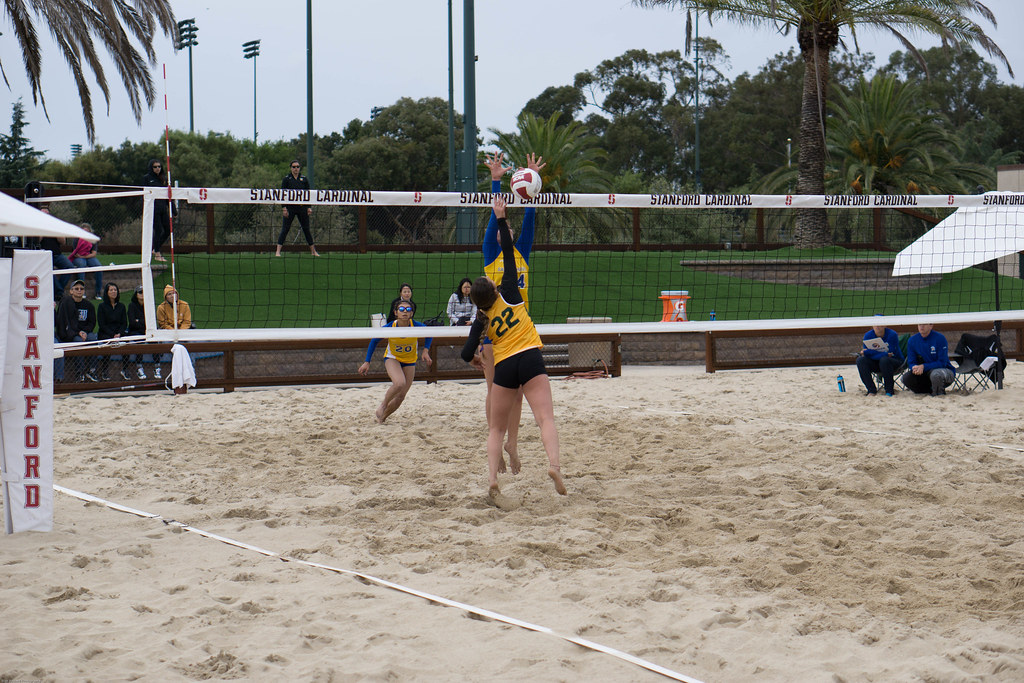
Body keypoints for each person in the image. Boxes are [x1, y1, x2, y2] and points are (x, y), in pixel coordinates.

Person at [462, 196, 566, 499]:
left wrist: (472, 359)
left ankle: (494, 476)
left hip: (503, 356)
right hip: (528, 352)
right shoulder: (510, 288)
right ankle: (554, 465)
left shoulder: (481, 317)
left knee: (497, 425)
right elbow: (505, 247)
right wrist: (501, 216)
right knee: (545, 417)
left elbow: (466, 350)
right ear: (494, 287)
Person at [477, 151, 545, 472]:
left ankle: (512, 444)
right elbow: (496, 216)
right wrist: (496, 181)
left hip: (520, 334)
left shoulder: (523, 254)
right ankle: (497, 440)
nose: (509, 233)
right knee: (495, 390)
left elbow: (529, 217)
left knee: (517, 393)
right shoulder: (491, 252)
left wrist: (533, 182)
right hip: (494, 333)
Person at [358, 299, 433, 424]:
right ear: (396, 312)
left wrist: (426, 350)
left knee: (401, 397)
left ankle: (382, 418)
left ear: (412, 313)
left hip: (410, 361)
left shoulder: (417, 326)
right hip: (393, 358)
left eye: (408, 310)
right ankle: (383, 404)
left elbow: (430, 334)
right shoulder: (390, 327)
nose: (405, 312)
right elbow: (374, 341)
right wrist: (367, 361)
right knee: (399, 383)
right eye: (401, 309)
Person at [55, 279, 98, 382]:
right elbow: (66, 323)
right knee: (78, 341)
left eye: (81, 289)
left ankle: (92, 371)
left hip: (85, 332)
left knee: (93, 339)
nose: (79, 290)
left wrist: (85, 332)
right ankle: (80, 372)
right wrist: (78, 332)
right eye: (76, 288)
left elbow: (92, 323)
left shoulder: (89, 305)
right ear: (71, 291)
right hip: (72, 333)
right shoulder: (66, 303)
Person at [275, 160, 319, 257]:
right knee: (285, 229)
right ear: (291, 168)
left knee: (306, 229)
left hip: (302, 208)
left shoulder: (304, 179)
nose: (296, 169)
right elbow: (282, 194)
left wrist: (309, 207)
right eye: (294, 167)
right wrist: (284, 208)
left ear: (300, 168)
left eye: (297, 167)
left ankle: (313, 251)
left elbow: (308, 194)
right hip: (290, 208)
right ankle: (278, 252)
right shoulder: (286, 179)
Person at [902, 323, 955, 396]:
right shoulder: (912, 340)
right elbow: (911, 362)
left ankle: (939, 393)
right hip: (923, 373)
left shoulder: (940, 338)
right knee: (906, 378)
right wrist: (914, 367)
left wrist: (924, 366)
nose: (921, 326)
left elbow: (942, 363)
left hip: (944, 371)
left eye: (924, 324)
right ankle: (926, 391)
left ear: (931, 326)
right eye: (919, 324)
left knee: (936, 375)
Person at [855, 319, 905, 396]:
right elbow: (866, 354)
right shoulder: (868, 335)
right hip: (877, 363)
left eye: (880, 323)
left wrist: (870, 352)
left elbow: (891, 353)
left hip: (895, 362)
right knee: (860, 360)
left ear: (885, 325)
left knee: (884, 360)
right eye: (875, 323)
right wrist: (883, 354)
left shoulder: (892, 334)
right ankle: (871, 390)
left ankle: (889, 390)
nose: (877, 326)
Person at [96, 283, 128, 381]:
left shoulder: (121, 306)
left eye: (115, 290)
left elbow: (124, 323)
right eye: (111, 290)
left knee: (127, 344)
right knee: (107, 345)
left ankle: (125, 369)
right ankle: (105, 370)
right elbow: (102, 324)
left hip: (119, 333)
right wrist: (112, 335)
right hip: (106, 333)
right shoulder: (102, 306)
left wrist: (119, 334)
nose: (114, 292)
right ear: (106, 292)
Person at [142, 159, 171, 262]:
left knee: (168, 230)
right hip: (153, 209)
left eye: (159, 166)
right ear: (151, 168)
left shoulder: (164, 179)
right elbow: (144, 195)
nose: (157, 168)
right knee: (158, 230)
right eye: (155, 167)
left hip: (163, 208)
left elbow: (168, 195)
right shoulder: (147, 178)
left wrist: (173, 211)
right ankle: (157, 254)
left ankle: (155, 248)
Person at [69, 223, 104, 298]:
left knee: (99, 267)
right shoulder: (77, 239)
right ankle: (81, 291)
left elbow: (94, 253)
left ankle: (98, 292)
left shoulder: (92, 239)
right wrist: (81, 256)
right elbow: (75, 253)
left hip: (88, 256)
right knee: (81, 266)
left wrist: (84, 256)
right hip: (78, 257)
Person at [126, 285, 151, 379]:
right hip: (135, 331)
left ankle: (157, 366)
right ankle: (139, 366)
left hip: (146, 331)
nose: (142, 294)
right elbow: (132, 323)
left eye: (144, 292)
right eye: (140, 292)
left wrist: (138, 321)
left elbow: (151, 321)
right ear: (136, 294)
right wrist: (142, 322)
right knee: (140, 341)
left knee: (156, 340)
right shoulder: (132, 305)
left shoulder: (149, 305)